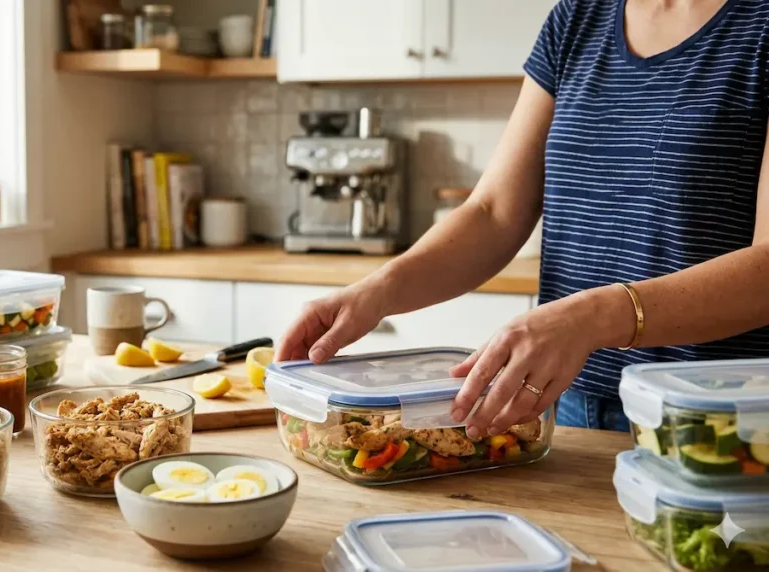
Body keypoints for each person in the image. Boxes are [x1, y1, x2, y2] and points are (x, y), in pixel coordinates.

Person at [274, 0, 769, 438]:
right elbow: (493, 213)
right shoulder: (577, 18)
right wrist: (375, 292)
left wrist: (595, 316)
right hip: (561, 405)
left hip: (712, 419)